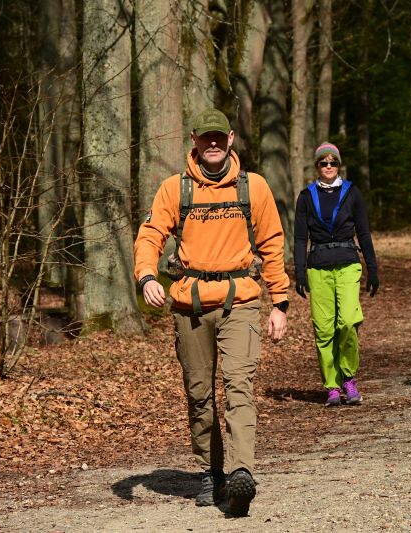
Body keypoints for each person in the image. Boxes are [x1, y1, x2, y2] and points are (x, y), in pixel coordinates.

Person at [133, 109, 289, 517]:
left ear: (232, 138)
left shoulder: (253, 187)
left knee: (239, 385)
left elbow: (272, 242)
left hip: (241, 300)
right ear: (195, 140)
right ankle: (211, 471)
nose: (214, 144)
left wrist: (281, 302)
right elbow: (150, 235)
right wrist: (148, 275)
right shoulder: (174, 189)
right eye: (207, 138)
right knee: (199, 394)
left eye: (220, 137)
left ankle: (241, 473)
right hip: (190, 305)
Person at [294, 142, 379, 407]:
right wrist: (299, 272)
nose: (328, 167)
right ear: (317, 166)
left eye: (332, 162)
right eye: (323, 163)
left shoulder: (352, 192)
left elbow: (363, 232)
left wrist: (372, 268)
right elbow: (299, 238)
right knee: (324, 329)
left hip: (347, 264)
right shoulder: (306, 196)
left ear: (338, 165)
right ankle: (332, 386)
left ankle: (348, 378)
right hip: (318, 267)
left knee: (347, 322)